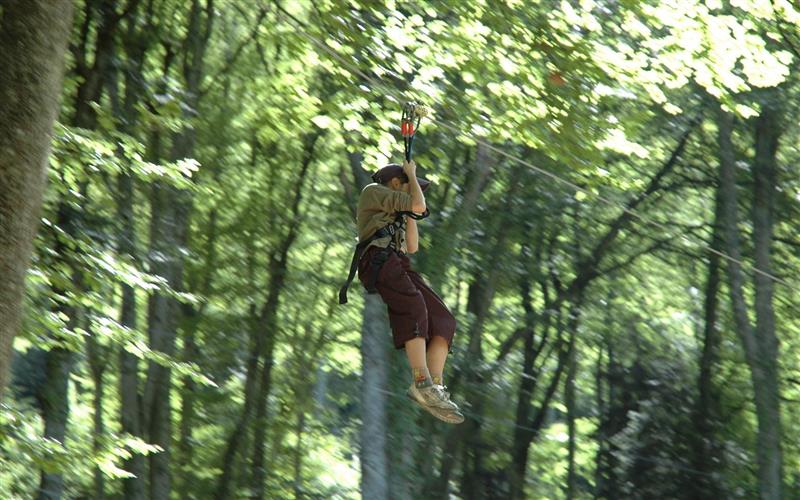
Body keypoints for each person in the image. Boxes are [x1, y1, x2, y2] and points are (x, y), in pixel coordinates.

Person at [355, 160, 464, 424]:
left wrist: (409, 215)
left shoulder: (399, 209)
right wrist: (412, 174)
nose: (417, 191)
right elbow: (417, 204)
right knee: (414, 306)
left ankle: (434, 387)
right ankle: (420, 380)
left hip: (397, 261)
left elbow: (412, 246)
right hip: (377, 258)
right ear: (395, 184)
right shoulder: (374, 191)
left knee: (443, 321)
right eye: (411, 185)